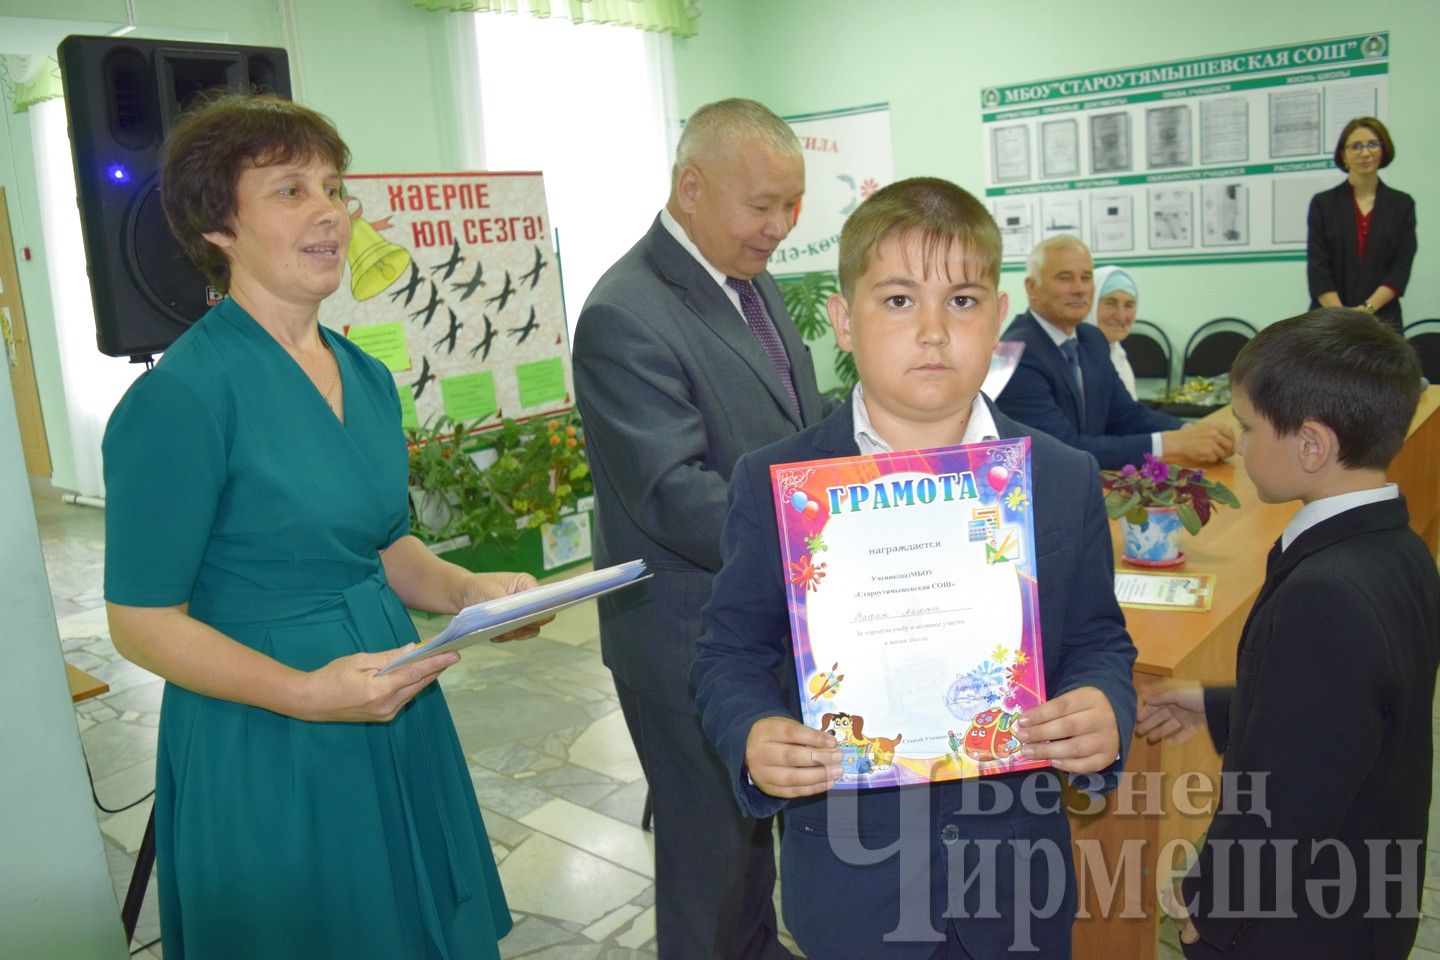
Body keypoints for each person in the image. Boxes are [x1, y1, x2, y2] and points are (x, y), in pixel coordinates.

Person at [103, 93, 543, 959]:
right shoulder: (181, 400)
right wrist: (306, 692)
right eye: (289, 189)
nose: (329, 213)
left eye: (334, 189)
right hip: (268, 724)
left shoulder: (365, 376)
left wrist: (469, 593)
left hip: (390, 692)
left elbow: (381, 545)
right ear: (218, 226)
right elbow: (141, 622)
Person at [691, 178, 1137, 959]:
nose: (933, 331)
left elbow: (1099, 637)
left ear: (999, 319)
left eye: (962, 301)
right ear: (843, 319)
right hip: (853, 886)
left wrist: (1104, 705)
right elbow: (728, 654)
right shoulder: (778, 485)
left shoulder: (1059, 479)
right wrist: (754, 732)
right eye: (898, 301)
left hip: (1016, 882)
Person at [571, 98, 827, 959]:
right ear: (691, 187)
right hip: (686, 640)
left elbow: (804, 424)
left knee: (755, 847)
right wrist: (826, 546)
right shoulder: (626, 312)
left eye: (792, 205)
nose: (782, 227)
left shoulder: (749, 284)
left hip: (765, 622)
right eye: (763, 205)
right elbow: (677, 496)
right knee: (713, 866)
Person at [1137, 308, 1439, 959]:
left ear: (1311, 445)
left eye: (1247, 427)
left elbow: (1284, 805)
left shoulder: (1325, 592)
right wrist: (1222, 706)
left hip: (1302, 924)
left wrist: (1212, 905)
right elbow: (1345, 718)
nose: (1240, 445)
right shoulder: (1400, 549)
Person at [997, 235, 1233, 469]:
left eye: (1086, 277)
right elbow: (1064, 448)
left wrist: (1189, 431)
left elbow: (1126, 414)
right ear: (1032, 287)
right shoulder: (1018, 353)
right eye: (1065, 278)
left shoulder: (1092, 338)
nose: (1079, 289)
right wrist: (1169, 443)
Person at [1307, 117, 1416, 335]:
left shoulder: (1402, 204)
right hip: (1330, 320)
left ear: (1383, 150)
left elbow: (1400, 268)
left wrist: (1366, 311)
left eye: (1372, 144)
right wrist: (1344, 317)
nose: (1365, 153)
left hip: (1383, 320)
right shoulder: (1323, 204)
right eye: (1356, 146)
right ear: (1343, 155)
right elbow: (1318, 269)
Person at [1084, 265, 1140, 399]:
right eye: (1110, 303)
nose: (1121, 316)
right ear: (1088, 304)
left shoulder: (1118, 356)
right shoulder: (1075, 362)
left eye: (1129, 305)